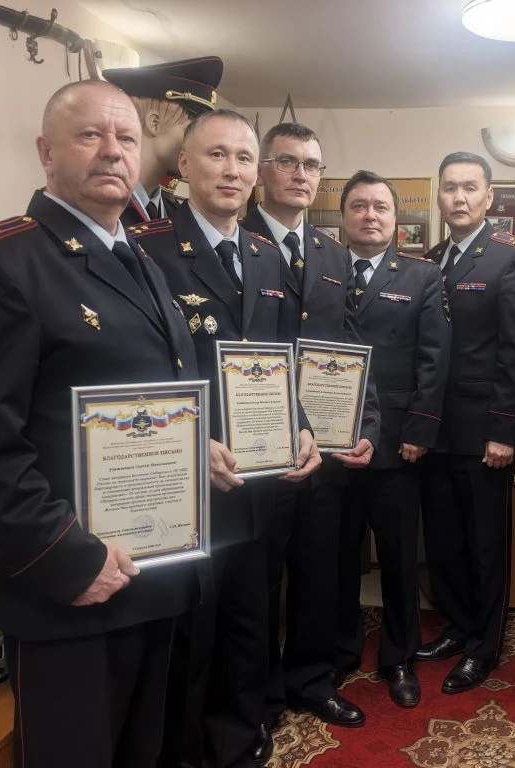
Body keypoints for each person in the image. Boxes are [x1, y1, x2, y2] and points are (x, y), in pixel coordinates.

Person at [0, 79, 229, 768]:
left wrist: (193, 449)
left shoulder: (141, 258)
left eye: (126, 138)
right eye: (90, 135)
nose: (112, 151)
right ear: (46, 152)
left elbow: (146, 389)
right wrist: (66, 557)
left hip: (156, 568)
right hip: (74, 585)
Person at [132, 108, 320, 767]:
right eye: (217, 155)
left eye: (243, 158)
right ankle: (186, 750)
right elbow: (137, 369)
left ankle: (240, 736)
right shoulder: (147, 247)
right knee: (191, 625)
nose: (232, 170)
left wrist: (300, 424)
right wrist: (190, 442)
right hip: (186, 475)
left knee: (250, 612)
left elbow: (279, 357)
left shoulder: (265, 255)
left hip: (258, 472)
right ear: (184, 165)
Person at [241, 122, 380, 730]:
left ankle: (310, 680)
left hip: (323, 446)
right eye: (287, 161)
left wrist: (366, 421)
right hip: (256, 445)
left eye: (312, 165)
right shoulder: (234, 238)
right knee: (255, 581)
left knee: (319, 571)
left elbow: (351, 345)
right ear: (262, 171)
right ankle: (259, 696)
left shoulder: (331, 254)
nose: (301, 175)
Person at [414, 152, 515, 693]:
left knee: (485, 544)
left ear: (489, 197)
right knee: (444, 541)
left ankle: (484, 647)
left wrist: (505, 430)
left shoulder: (512, 255)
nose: (459, 197)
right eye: (450, 187)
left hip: (484, 430)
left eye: (470, 187)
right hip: (433, 429)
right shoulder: (431, 259)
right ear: (439, 195)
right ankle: (459, 626)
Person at [333, 171, 451, 708]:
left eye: (381, 206)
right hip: (332, 440)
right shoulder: (323, 271)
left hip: (399, 440)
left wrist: (421, 428)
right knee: (337, 555)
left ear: (396, 218)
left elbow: (434, 356)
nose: (370, 215)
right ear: (343, 217)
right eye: (359, 206)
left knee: (400, 556)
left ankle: (398, 656)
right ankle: (340, 648)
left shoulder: (422, 275)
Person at [103, 57, 223, 228]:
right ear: (154, 123)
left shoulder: (177, 215)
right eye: (190, 130)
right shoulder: (100, 206)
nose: (201, 145)